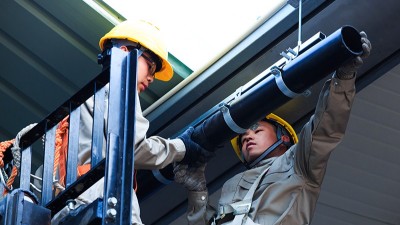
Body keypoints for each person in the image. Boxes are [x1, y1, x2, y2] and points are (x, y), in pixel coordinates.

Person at [174, 31, 371, 225]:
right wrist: (197, 192)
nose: (247, 138)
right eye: (242, 139)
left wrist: (344, 77)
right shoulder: (231, 185)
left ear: (284, 138)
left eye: (257, 130)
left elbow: (326, 128)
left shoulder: (298, 164)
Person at [42, 20, 213, 225]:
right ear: (124, 52)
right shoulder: (120, 88)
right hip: (102, 202)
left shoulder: (88, 100)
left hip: (70, 209)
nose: (151, 78)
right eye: (150, 67)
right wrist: (181, 147)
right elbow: (136, 148)